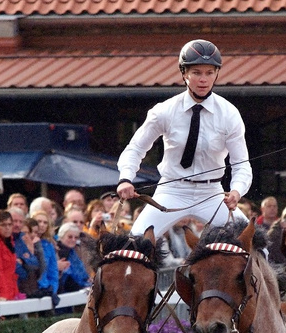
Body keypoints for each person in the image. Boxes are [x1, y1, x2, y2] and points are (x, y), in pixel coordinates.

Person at [116, 39, 252, 238]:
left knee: (258, 247)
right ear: (184, 73)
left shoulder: (230, 114)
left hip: (212, 194)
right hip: (171, 190)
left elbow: (241, 164)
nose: (203, 80)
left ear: (216, 74)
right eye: (197, 73)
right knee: (135, 241)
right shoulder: (164, 111)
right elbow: (135, 148)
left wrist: (236, 191)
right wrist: (126, 179)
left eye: (209, 73)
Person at [31, 212, 60, 298]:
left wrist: (53, 290)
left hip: (46, 288)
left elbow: (53, 271)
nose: (42, 225)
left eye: (45, 222)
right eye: (39, 221)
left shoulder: (49, 244)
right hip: (31, 288)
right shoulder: (25, 241)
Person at [14, 218, 46, 296]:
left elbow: (40, 270)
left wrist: (32, 252)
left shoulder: (32, 247)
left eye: (28, 233)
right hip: (19, 289)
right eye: (24, 233)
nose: (27, 236)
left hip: (31, 290)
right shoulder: (15, 245)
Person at [55, 222, 91, 292]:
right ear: (61, 237)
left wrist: (86, 279)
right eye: (70, 237)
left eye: (76, 237)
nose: (73, 240)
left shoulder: (73, 252)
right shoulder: (56, 251)